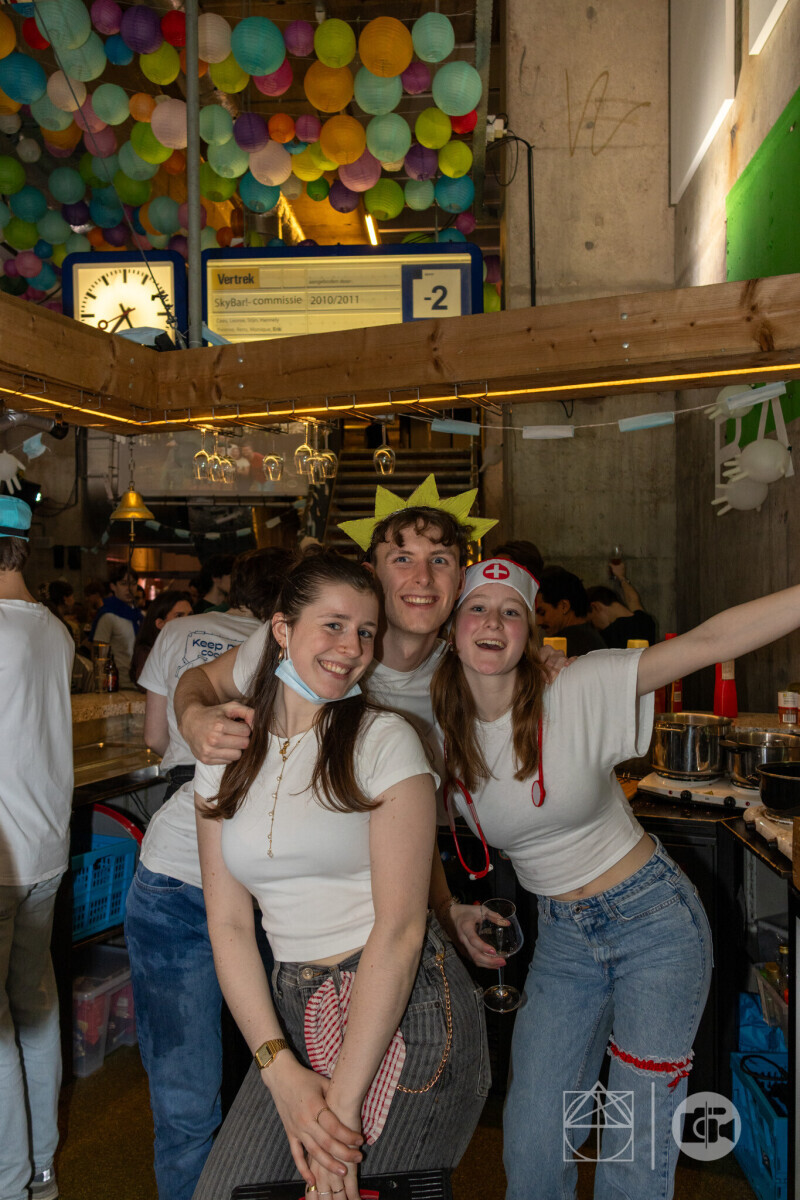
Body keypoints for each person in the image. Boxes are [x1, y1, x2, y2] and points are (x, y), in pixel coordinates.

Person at [431, 556, 800, 1199]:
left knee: (632, 1142)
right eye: (477, 608)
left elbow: (710, 641)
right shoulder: (435, 724)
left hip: (654, 924)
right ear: (451, 628)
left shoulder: (577, 686)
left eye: (511, 611)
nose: (493, 622)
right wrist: (446, 907)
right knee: (534, 1133)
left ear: (530, 631)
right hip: (562, 939)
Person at [191, 553, 489, 1200]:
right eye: (333, 625)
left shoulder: (385, 740)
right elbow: (230, 925)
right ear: (281, 630)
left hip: (405, 1010)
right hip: (292, 1011)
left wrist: (341, 1116)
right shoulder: (225, 749)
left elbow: (402, 930)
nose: (351, 648)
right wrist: (277, 1069)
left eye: (365, 632)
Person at [125, 548, 291, 1200]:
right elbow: (192, 701)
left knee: (204, 1093)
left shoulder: (181, 630)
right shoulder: (274, 650)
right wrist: (199, 721)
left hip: (228, 869)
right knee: (233, 1083)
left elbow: (153, 734)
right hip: (201, 850)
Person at [0, 496, 74, 1200]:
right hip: (45, 850)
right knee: (35, 1007)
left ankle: (9, 1181)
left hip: (3, 858)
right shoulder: (53, 629)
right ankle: (41, 1169)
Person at [534, 566, 607, 655]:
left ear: (564, 606)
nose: (538, 622)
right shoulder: (590, 636)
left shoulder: (565, 645)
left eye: (542, 613)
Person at [130, 588, 193, 688]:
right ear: (160, 623)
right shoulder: (146, 651)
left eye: (190, 615)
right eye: (179, 616)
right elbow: (147, 687)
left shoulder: (193, 647)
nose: (187, 620)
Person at [91, 564, 142, 688]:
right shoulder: (108, 616)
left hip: (141, 682)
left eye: (133, 584)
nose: (129, 589)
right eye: (124, 584)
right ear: (113, 586)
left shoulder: (139, 616)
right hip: (118, 684)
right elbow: (99, 655)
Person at [587, 560, 657, 647]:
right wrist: (621, 577)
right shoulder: (645, 621)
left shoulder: (609, 635)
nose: (595, 627)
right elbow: (633, 600)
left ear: (595, 606)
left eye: (591, 621)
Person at [47, 579, 81, 648]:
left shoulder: (49, 615)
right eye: (72, 596)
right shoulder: (63, 626)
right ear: (65, 598)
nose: (74, 600)